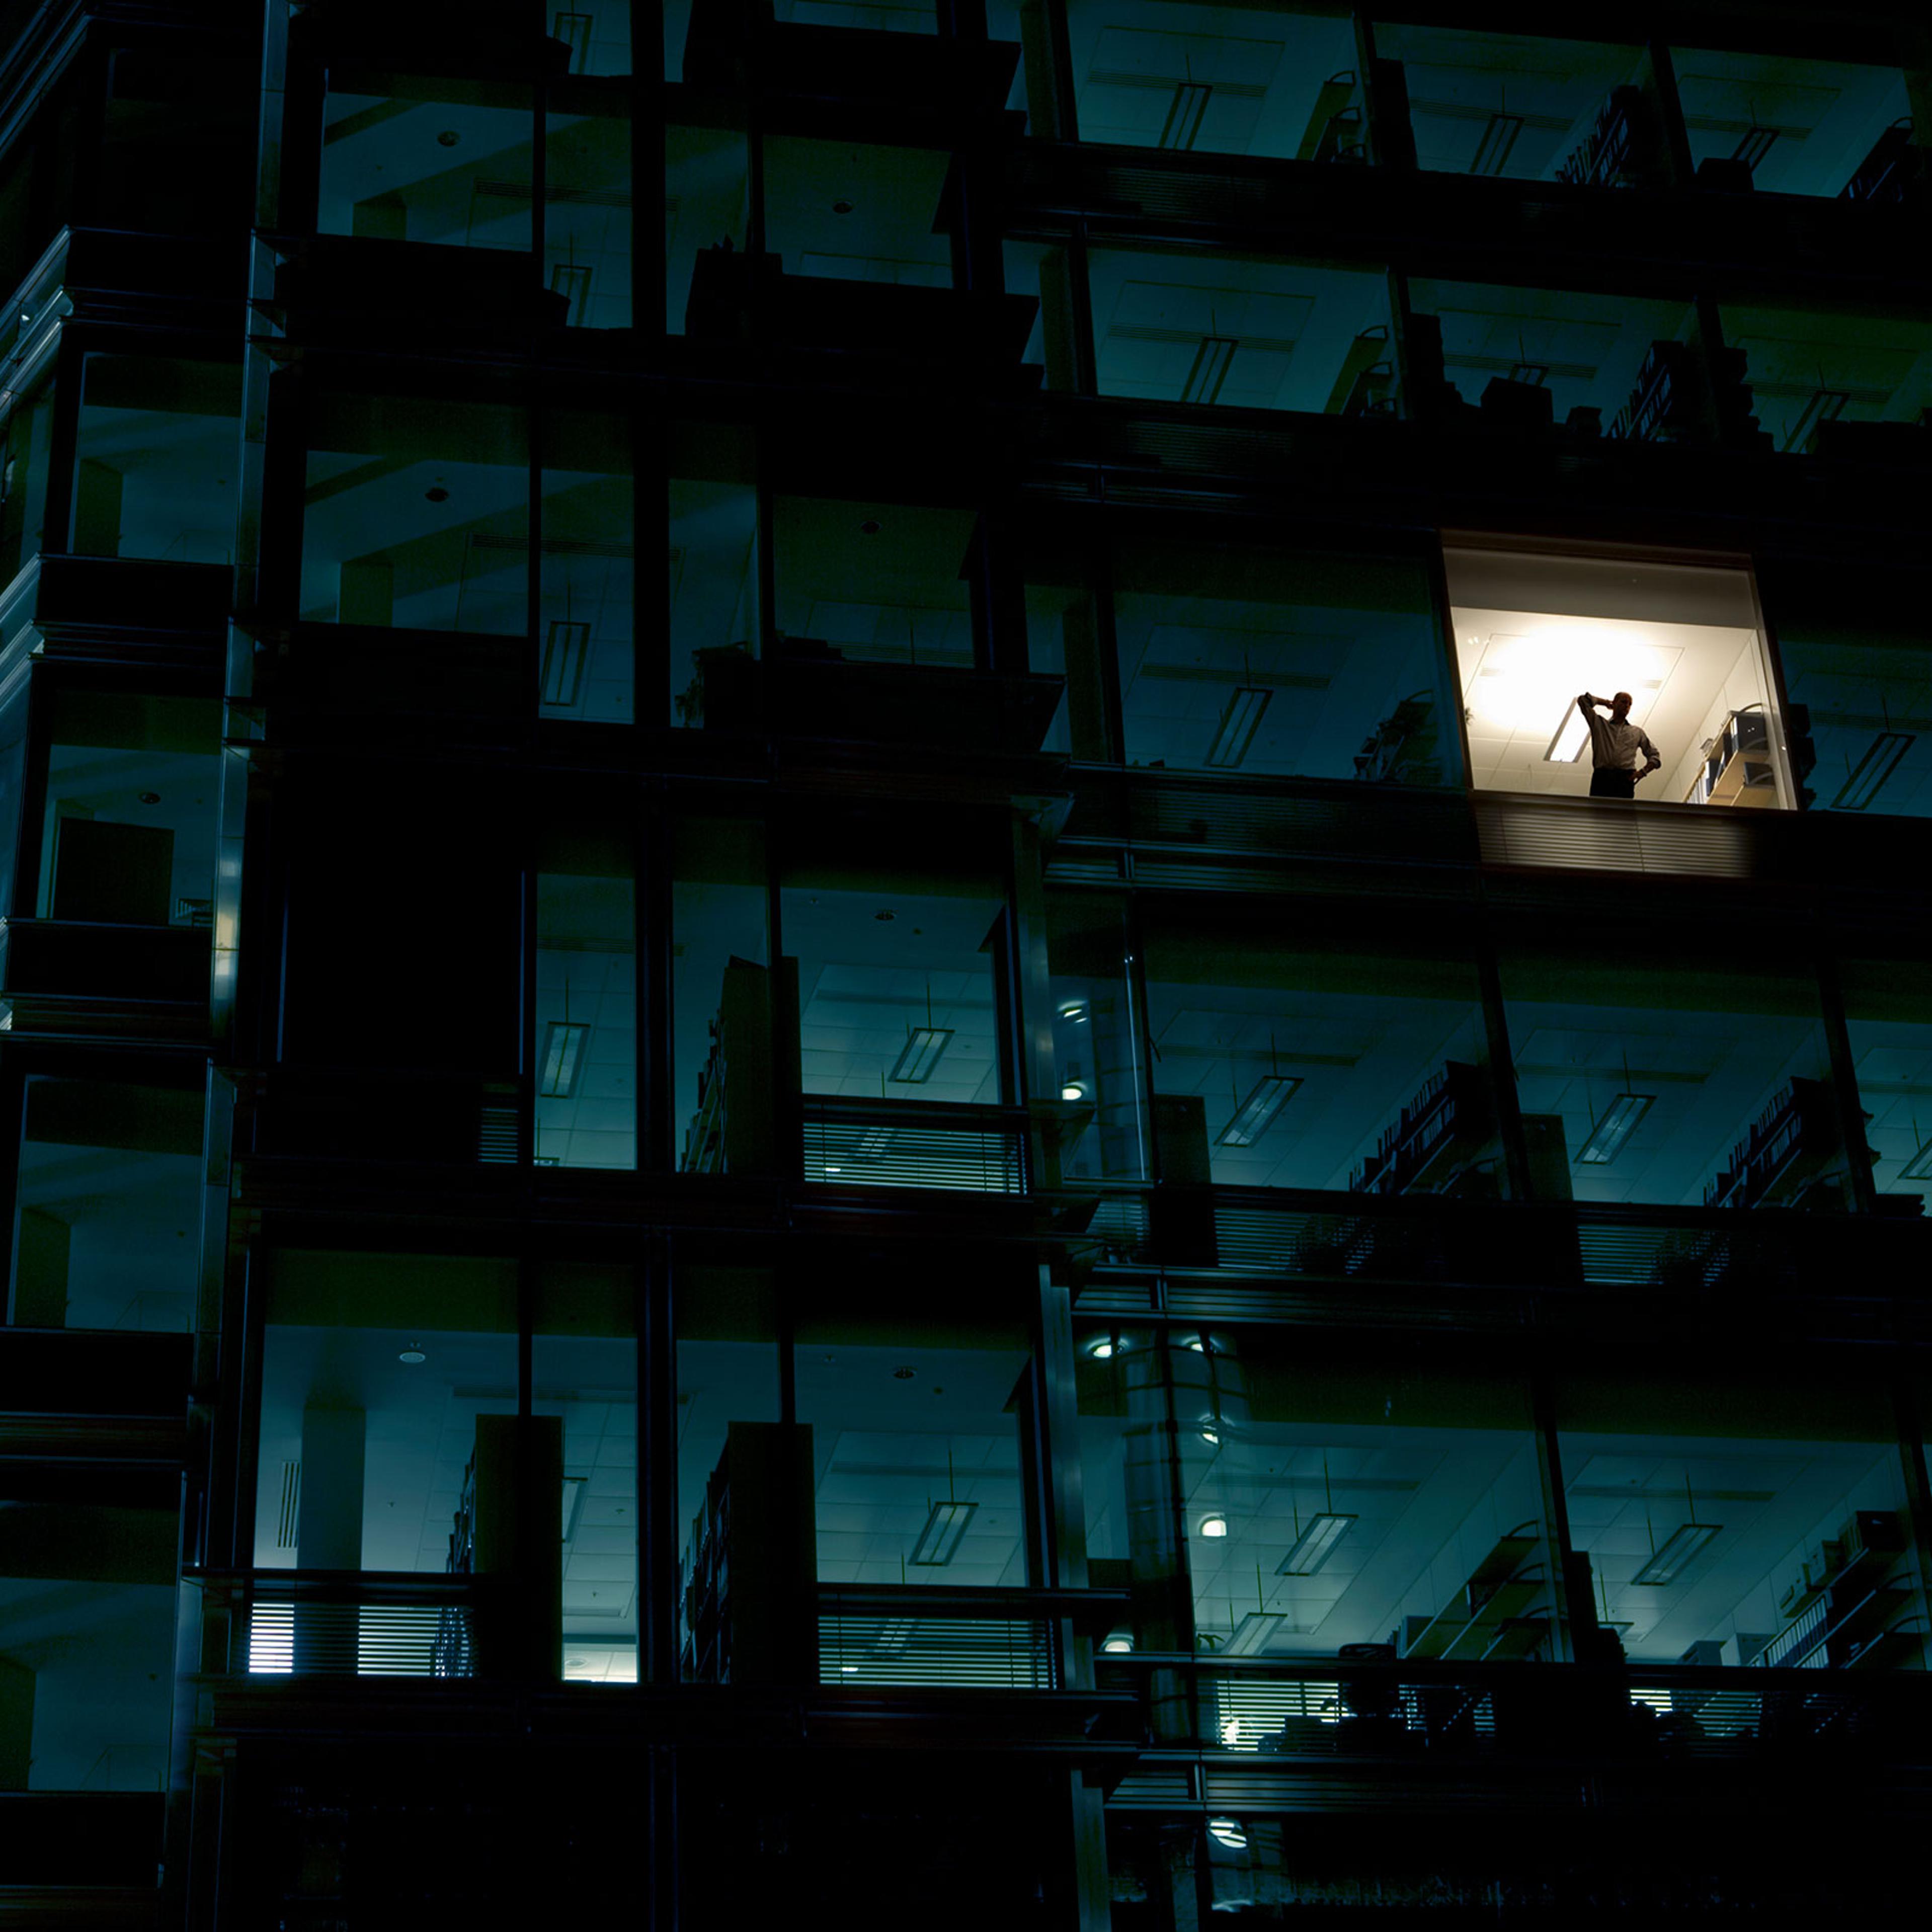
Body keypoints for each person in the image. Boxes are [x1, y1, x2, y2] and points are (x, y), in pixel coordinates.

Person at [1576, 691, 1662, 799]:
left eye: (1630, 704)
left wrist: (1643, 772)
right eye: (1624, 702)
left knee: (1623, 815)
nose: (1627, 706)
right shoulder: (1600, 725)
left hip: (1625, 779)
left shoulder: (1637, 732)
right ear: (1615, 703)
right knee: (1597, 813)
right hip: (1602, 777)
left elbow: (1655, 756)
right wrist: (1606, 703)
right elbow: (1583, 701)